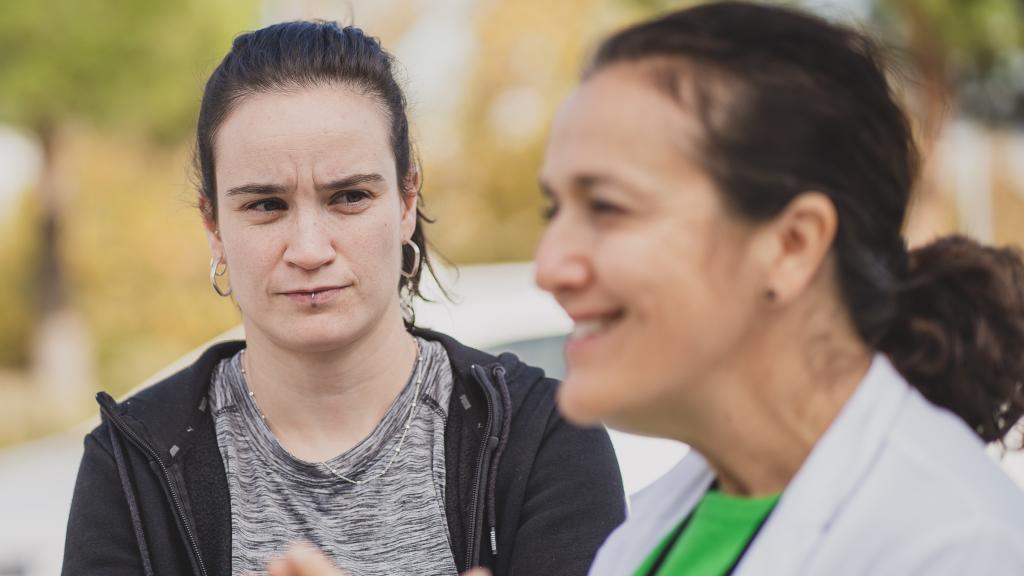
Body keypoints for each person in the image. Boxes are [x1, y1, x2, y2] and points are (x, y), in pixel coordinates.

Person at [62, 21, 625, 576]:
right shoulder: (132, 462)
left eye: (350, 196)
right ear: (213, 225)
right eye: (265, 205)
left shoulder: (544, 435)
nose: (309, 249)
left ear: (406, 202)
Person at [534, 2, 1024, 575]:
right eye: (554, 209)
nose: (549, 266)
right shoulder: (654, 528)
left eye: (607, 207)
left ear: (792, 245)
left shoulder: (957, 547)